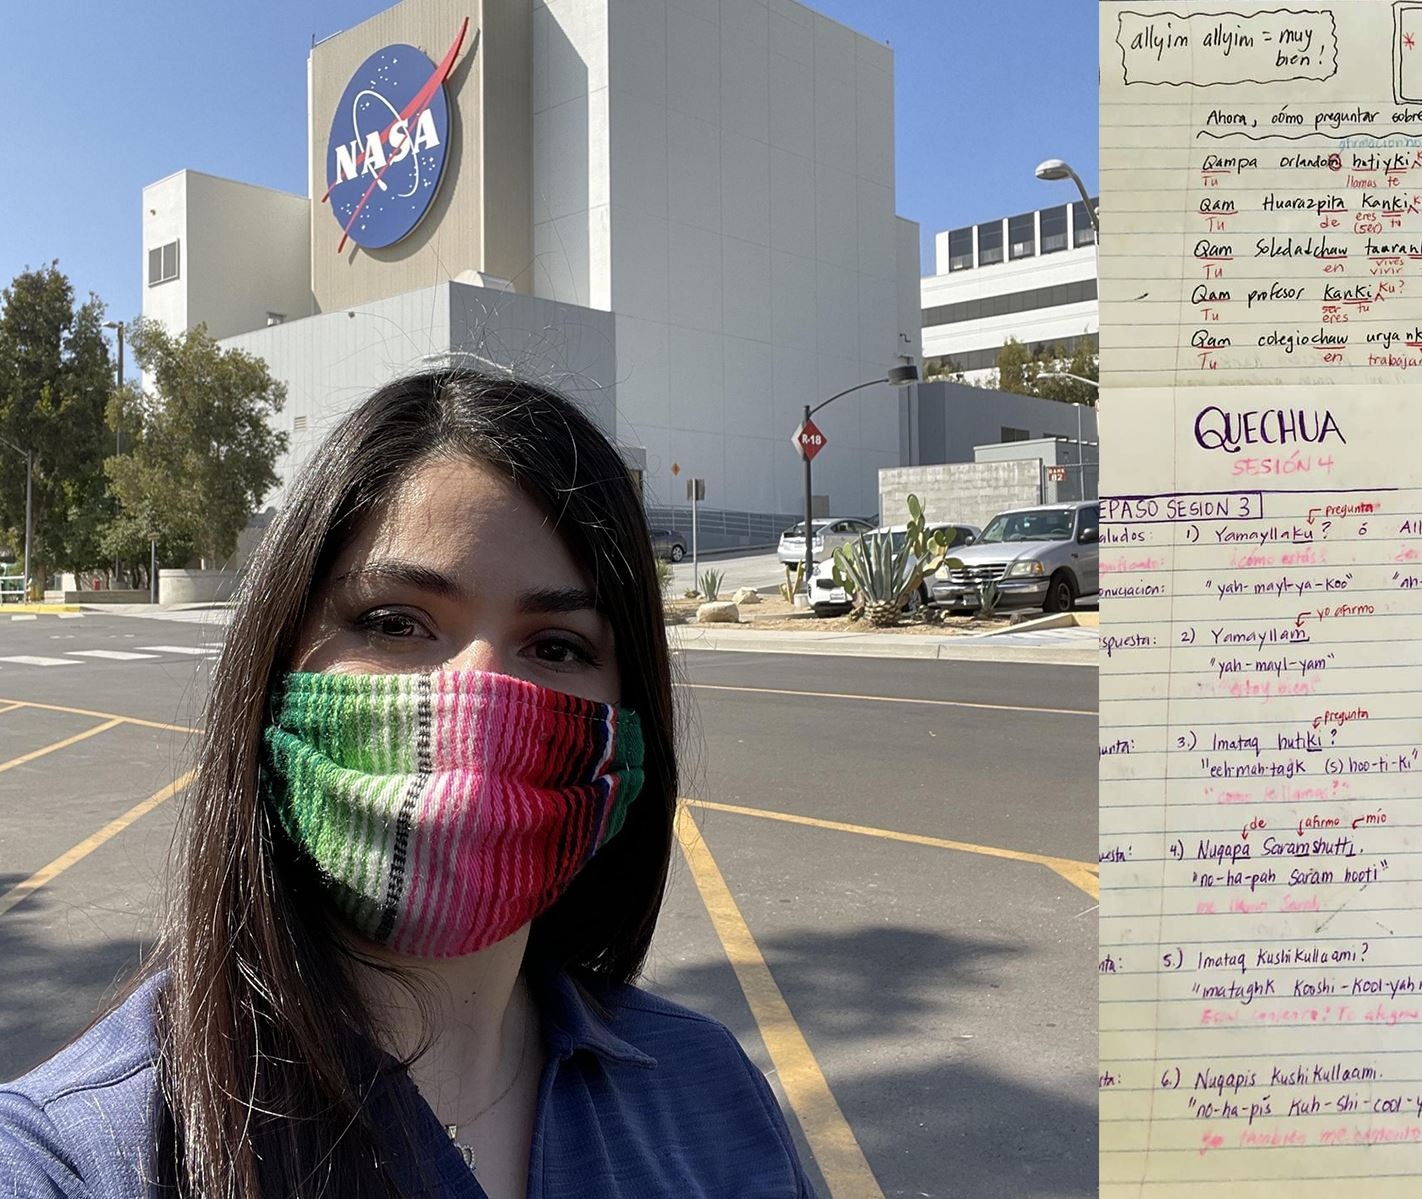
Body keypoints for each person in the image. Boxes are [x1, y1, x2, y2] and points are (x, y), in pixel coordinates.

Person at [0, 370, 816, 1198]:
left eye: (559, 646)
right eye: (394, 623)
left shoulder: (711, 1094)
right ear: (276, 656)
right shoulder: (79, 1155)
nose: (478, 697)